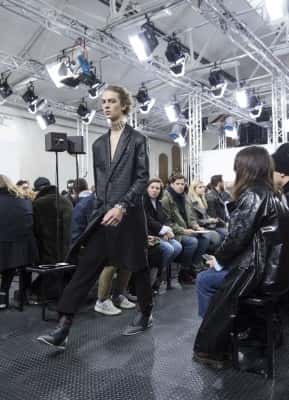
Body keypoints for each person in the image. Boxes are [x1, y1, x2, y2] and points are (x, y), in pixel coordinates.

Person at [37, 85, 153, 349]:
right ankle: (63, 328)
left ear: (124, 105)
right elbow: (101, 182)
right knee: (86, 267)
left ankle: (145, 313)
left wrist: (123, 205)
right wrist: (100, 208)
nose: (106, 106)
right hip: (104, 214)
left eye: (112, 101)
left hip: (130, 214)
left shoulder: (137, 139)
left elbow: (142, 177)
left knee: (139, 266)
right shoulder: (98, 143)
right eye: (103, 102)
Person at [193, 146, 289, 369]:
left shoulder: (254, 194)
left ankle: (215, 345)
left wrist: (217, 262)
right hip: (276, 273)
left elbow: (236, 238)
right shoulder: (277, 195)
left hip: (259, 273)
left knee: (205, 280)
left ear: (244, 169)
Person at [161, 173, 210, 283]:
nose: (180, 186)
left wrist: (196, 226)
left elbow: (191, 217)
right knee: (192, 242)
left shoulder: (185, 197)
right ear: (171, 184)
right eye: (177, 184)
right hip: (175, 232)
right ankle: (184, 272)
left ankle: (193, 267)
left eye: (183, 184)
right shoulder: (165, 198)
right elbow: (167, 222)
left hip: (187, 229)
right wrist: (183, 230)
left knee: (205, 239)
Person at [0, 175, 37, 308]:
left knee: (7, 270)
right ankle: (23, 298)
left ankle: (3, 299)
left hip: (4, 243)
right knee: (24, 270)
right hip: (25, 243)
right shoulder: (24, 200)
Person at [144, 178, 182, 288]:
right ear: (147, 188)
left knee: (178, 246)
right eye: (152, 187)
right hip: (149, 235)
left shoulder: (158, 203)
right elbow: (148, 221)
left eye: (158, 188)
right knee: (168, 249)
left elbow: (164, 219)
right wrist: (164, 231)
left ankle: (160, 274)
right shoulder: (143, 202)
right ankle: (158, 277)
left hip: (159, 233)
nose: (155, 190)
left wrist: (167, 231)